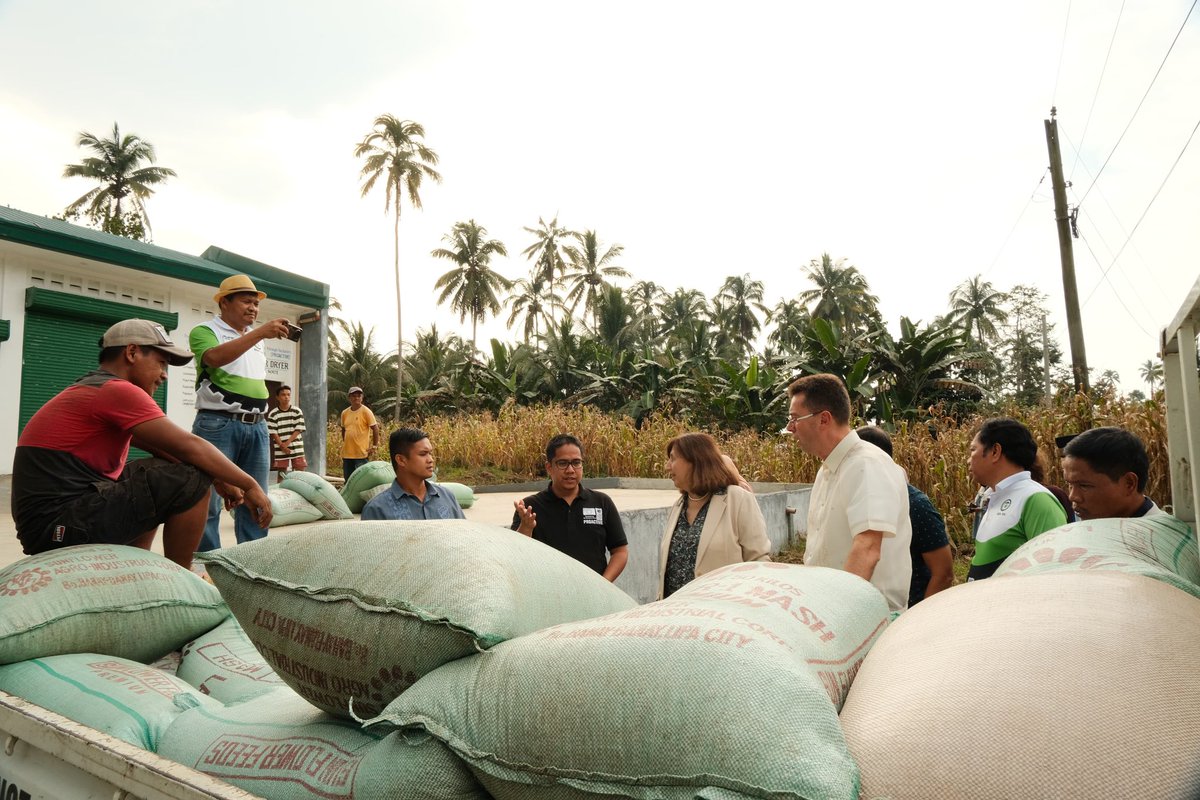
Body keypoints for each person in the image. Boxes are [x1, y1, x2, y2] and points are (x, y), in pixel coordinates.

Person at [11, 319, 273, 570]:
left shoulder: (92, 389)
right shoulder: (117, 391)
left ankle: (138, 570)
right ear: (132, 353)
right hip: (58, 525)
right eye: (161, 363)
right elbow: (189, 445)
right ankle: (180, 581)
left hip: (52, 522)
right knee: (189, 480)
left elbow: (165, 449)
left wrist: (218, 478)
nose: (164, 375)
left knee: (158, 477)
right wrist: (249, 484)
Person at [786, 374, 912, 611]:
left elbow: (867, 548)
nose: (790, 428)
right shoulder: (827, 470)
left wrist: (840, 615)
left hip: (862, 618)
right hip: (830, 612)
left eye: (795, 419)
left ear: (824, 419)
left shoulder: (867, 465)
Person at [190, 274, 292, 551]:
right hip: (218, 425)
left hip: (257, 427)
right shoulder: (204, 331)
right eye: (246, 301)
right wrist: (260, 332)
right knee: (207, 501)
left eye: (256, 304)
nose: (253, 309)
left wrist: (257, 335)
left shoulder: (257, 340)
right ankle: (208, 565)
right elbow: (213, 358)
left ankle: (252, 560)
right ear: (224, 302)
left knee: (256, 499)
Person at [659, 432, 771, 598]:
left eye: (673, 459)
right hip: (677, 613)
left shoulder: (737, 499)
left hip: (722, 614)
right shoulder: (678, 506)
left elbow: (759, 561)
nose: (667, 466)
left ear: (695, 461)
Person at [856, 426, 953, 606]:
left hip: (906, 615)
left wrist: (918, 621)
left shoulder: (916, 505)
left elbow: (944, 573)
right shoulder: (862, 500)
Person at [511, 434, 629, 581]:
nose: (570, 470)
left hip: (593, 594)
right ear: (549, 467)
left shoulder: (602, 502)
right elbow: (516, 554)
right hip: (548, 595)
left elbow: (620, 551)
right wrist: (526, 528)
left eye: (576, 462)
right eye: (562, 463)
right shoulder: (529, 508)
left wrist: (604, 584)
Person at [966, 417, 1067, 580]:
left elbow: (1054, 573)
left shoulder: (1036, 500)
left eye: (972, 450)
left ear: (995, 452)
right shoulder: (993, 497)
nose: (968, 460)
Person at [361, 427, 465, 520]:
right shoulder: (377, 510)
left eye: (430, 453)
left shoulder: (447, 497)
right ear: (401, 460)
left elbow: (464, 536)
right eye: (423, 454)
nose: (430, 460)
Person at [1062, 426, 1165, 519]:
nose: (1072, 497)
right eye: (1070, 485)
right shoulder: (1090, 527)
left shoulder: (1162, 537)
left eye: (1084, 486)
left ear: (1129, 483)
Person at [267, 384, 307, 479]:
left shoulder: (297, 411)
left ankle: (298, 491)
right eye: (283, 395)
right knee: (281, 473)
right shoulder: (273, 414)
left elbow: (298, 429)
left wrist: (286, 444)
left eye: (288, 394)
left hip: (296, 446)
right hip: (280, 447)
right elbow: (273, 432)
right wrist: (282, 445)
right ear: (277, 397)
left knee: (299, 472)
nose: (286, 397)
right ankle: (281, 493)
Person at [340, 386, 380, 479]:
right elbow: (343, 429)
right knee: (348, 480)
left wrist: (374, 446)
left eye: (359, 396)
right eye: (354, 396)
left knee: (362, 480)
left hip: (361, 453)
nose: (356, 398)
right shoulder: (344, 413)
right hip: (347, 453)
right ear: (349, 398)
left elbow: (375, 428)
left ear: (362, 398)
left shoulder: (366, 411)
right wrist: (345, 442)